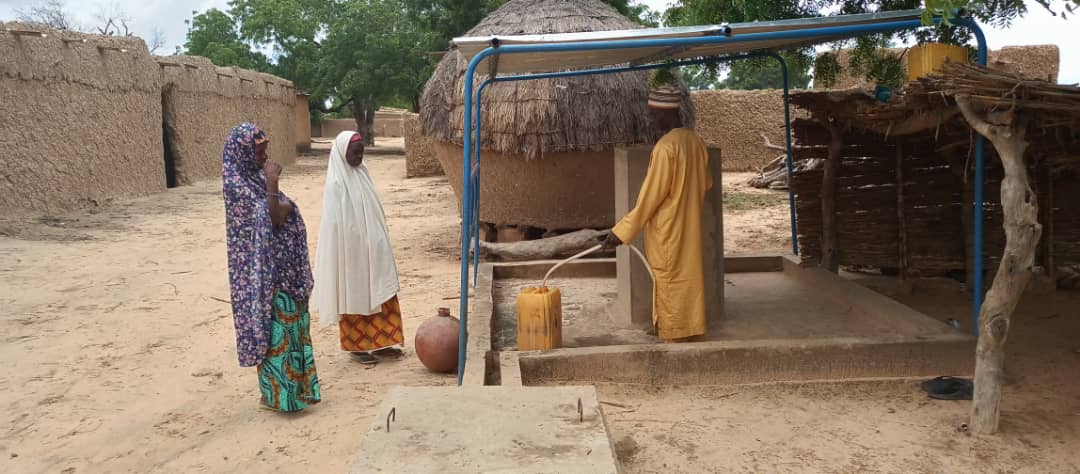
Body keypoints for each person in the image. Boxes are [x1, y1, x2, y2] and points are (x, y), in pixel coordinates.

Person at [601, 79, 711, 343]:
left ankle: (673, 332)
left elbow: (649, 200)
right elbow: (706, 183)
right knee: (687, 276)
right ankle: (686, 326)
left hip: (669, 229)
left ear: (666, 112)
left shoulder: (666, 148)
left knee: (669, 277)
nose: (650, 120)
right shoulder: (695, 142)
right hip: (690, 223)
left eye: (653, 114)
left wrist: (620, 233)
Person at [222, 123, 320, 412]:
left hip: (284, 272)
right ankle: (281, 397)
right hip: (266, 275)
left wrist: (276, 196)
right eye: (260, 151)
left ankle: (296, 392)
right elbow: (274, 217)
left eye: (266, 150)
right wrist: (273, 184)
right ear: (243, 153)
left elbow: (276, 210)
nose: (266, 157)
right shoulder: (236, 185)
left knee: (294, 329)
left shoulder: (253, 178)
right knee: (277, 331)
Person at [313, 131, 404, 365]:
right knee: (355, 294)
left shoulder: (363, 175)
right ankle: (358, 347)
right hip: (351, 253)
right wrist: (353, 246)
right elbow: (335, 226)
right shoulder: (336, 184)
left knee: (381, 292)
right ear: (343, 153)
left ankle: (382, 343)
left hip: (374, 249)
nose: (359, 157)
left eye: (361, 152)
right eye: (355, 153)